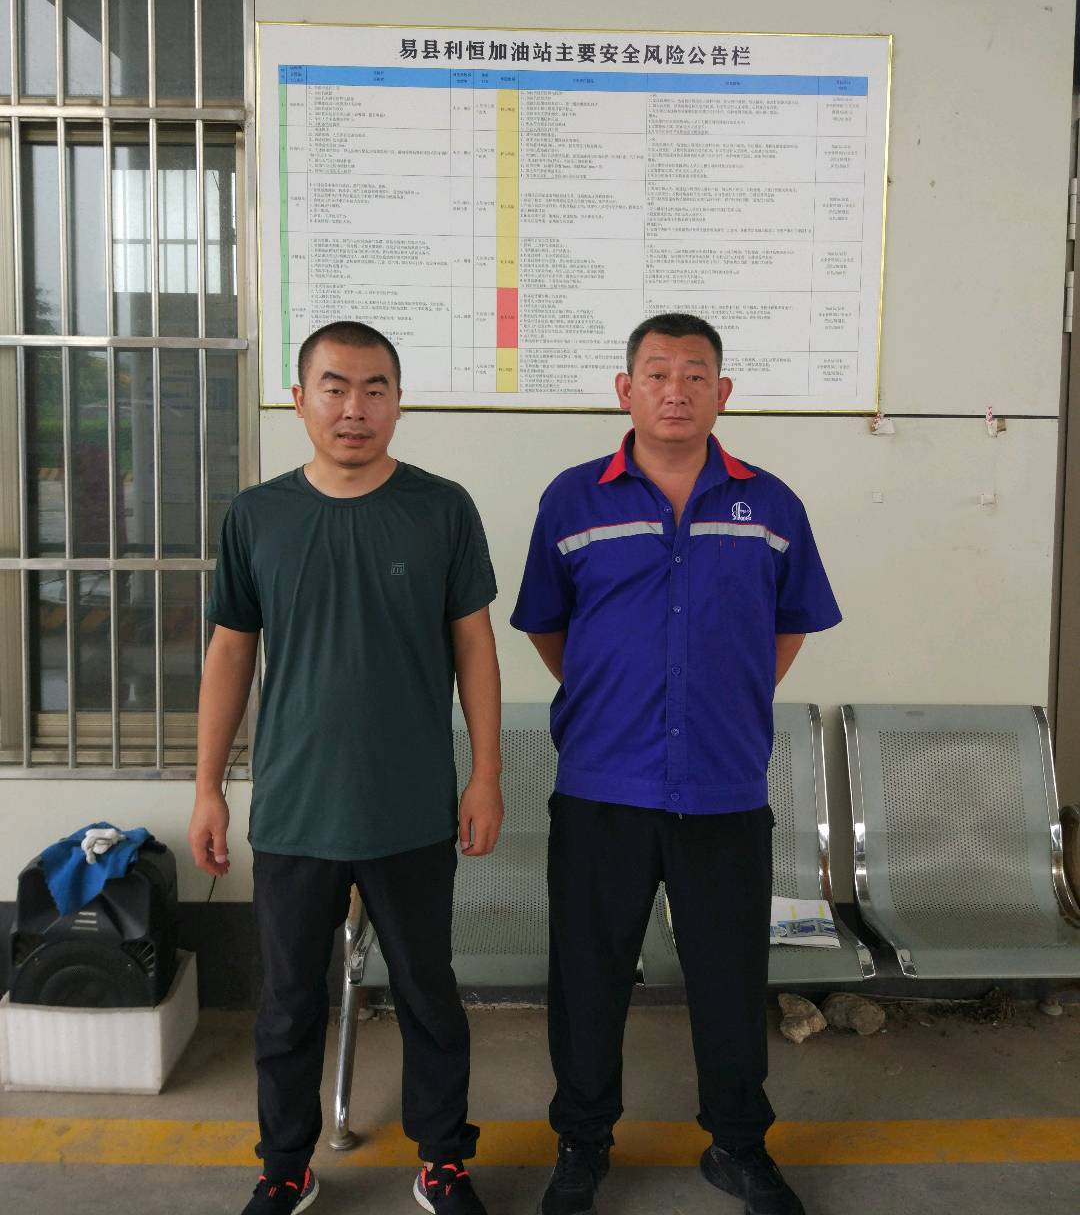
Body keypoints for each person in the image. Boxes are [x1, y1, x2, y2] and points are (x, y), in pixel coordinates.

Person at [511, 312, 841, 1215]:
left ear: (722, 392)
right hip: (601, 786)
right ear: (626, 390)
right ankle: (582, 1144)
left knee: (730, 979)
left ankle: (738, 1145)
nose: (675, 390)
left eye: (696, 374)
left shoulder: (770, 505)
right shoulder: (573, 501)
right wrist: (615, 692)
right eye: (656, 373)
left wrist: (722, 696)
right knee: (588, 978)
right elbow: (548, 625)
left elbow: (790, 624)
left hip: (724, 787)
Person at [189, 320, 503, 1215]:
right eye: (334, 387)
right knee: (288, 1002)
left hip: (412, 808)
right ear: (300, 399)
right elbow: (229, 654)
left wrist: (485, 774)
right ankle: (285, 1165)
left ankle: (443, 1160)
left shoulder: (443, 509)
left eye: (374, 388)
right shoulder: (257, 515)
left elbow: (475, 646)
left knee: (429, 994)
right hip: (295, 809)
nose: (353, 407)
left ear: (399, 402)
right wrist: (208, 788)